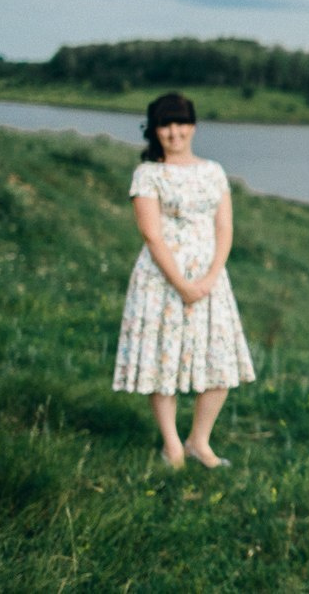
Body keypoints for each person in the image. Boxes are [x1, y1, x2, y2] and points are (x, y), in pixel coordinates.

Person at [112, 92, 255, 470]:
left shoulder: (213, 171)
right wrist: (181, 283)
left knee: (219, 362)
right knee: (163, 363)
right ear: (155, 130)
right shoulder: (148, 174)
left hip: (211, 281)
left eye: (180, 123)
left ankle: (199, 442)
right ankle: (172, 445)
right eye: (165, 124)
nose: (174, 132)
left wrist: (208, 278)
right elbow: (151, 234)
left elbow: (224, 227)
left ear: (192, 126)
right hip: (160, 280)